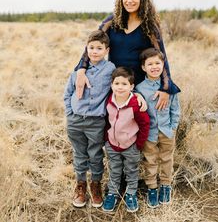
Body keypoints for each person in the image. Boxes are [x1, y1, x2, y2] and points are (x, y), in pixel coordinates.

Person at [75, 0, 180, 110]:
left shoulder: (150, 26)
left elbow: (161, 55)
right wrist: (81, 70)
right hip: (115, 83)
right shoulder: (111, 22)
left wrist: (166, 88)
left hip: (140, 86)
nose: (129, 0)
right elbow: (93, 45)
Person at [64, 30, 115, 208]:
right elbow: (68, 93)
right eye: (91, 48)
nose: (94, 51)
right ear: (86, 49)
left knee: (95, 154)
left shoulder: (110, 70)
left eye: (99, 48)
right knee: (79, 154)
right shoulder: (78, 70)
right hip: (76, 120)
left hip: (96, 122)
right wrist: (70, 113)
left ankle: (95, 185)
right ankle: (80, 186)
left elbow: (116, 89)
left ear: (106, 50)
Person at [135, 48, 180, 208]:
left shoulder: (169, 86)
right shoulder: (140, 88)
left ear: (163, 65)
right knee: (150, 160)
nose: (154, 67)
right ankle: (152, 188)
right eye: (150, 64)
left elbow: (175, 109)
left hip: (167, 131)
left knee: (167, 159)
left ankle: (166, 186)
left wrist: (173, 126)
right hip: (149, 133)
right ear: (143, 67)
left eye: (158, 63)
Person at [102, 67, 150, 213]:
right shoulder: (109, 101)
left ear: (131, 87)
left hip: (131, 146)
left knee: (131, 171)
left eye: (124, 84)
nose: (120, 87)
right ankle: (113, 194)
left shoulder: (135, 105)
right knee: (115, 170)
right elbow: (106, 121)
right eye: (117, 84)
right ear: (111, 85)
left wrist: (139, 144)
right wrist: (106, 139)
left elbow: (145, 124)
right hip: (112, 144)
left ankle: (131, 194)